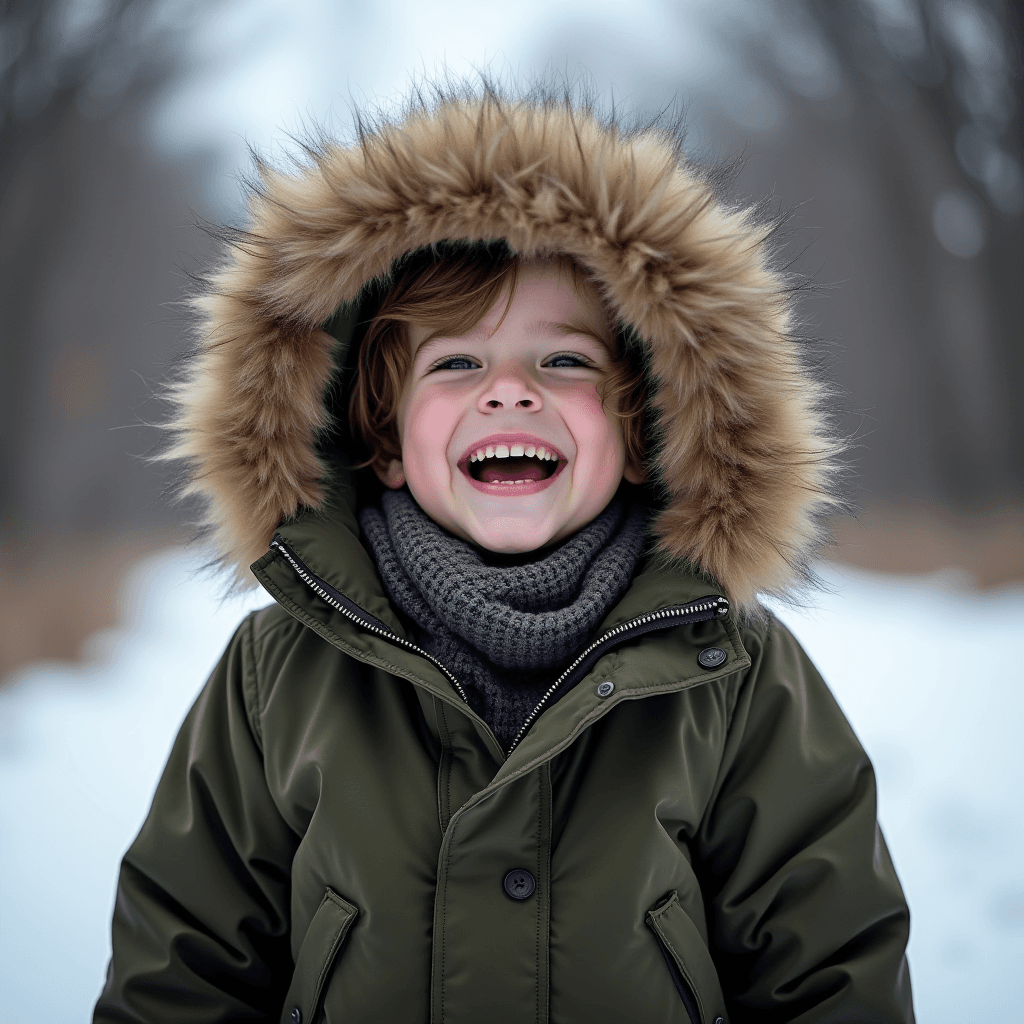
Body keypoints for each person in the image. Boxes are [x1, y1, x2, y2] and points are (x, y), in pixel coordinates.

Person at [94, 87, 915, 1023]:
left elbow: (831, 974)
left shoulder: (728, 674)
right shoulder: (277, 679)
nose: (511, 394)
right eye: (455, 365)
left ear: (645, 430)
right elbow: (181, 973)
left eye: (565, 362)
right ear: (387, 444)